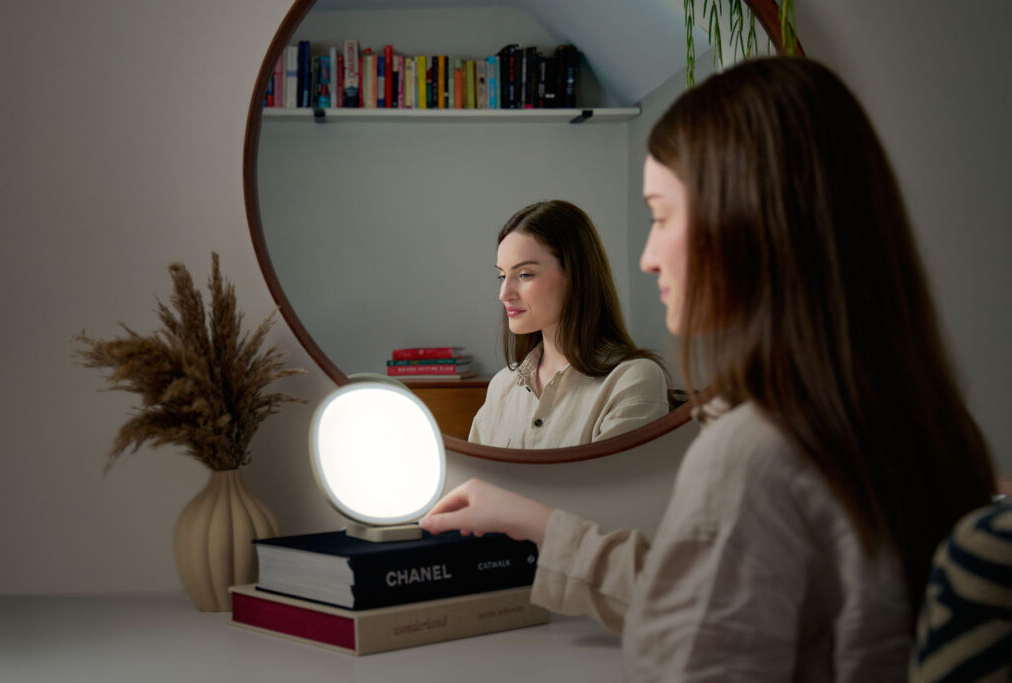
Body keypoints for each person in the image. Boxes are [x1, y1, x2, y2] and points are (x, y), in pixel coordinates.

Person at [422, 57, 997, 679]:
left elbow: (696, 639)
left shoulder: (758, 453)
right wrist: (540, 525)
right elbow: (707, 595)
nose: (646, 257)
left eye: (662, 217)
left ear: (750, 223)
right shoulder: (920, 420)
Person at [468, 199, 671, 448]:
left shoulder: (632, 380)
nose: (504, 293)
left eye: (524, 275)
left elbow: (608, 486)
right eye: (502, 275)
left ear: (575, 276)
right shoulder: (502, 386)